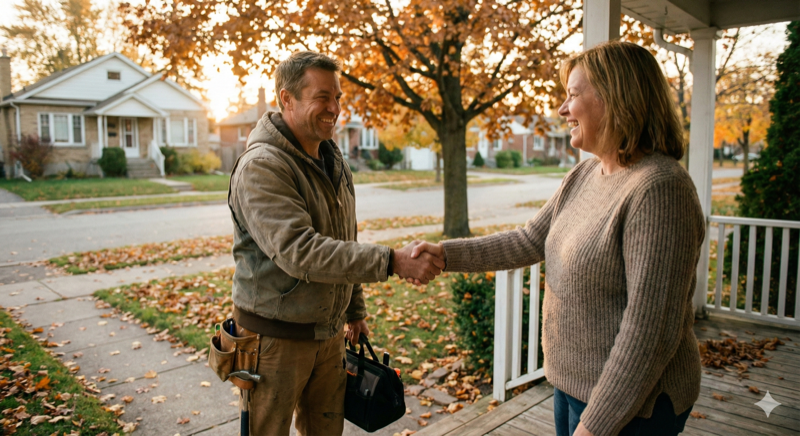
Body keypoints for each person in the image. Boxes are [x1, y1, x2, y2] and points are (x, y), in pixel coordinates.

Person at [411, 41, 704, 436]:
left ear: (617, 98)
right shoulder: (584, 175)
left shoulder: (660, 189)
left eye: (572, 96)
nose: (563, 110)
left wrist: (596, 424)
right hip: (572, 387)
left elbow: (649, 331)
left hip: (634, 408)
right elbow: (529, 239)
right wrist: (447, 254)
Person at [227, 51, 444, 435]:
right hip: (273, 341)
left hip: (327, 336)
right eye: (322, 97)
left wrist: (354, 308)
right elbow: (302, 251)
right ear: (286, 100)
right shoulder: (263, 165)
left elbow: (345, 238)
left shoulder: (333, 159)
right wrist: (392, 261)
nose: (335, 108)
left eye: (338, 97)